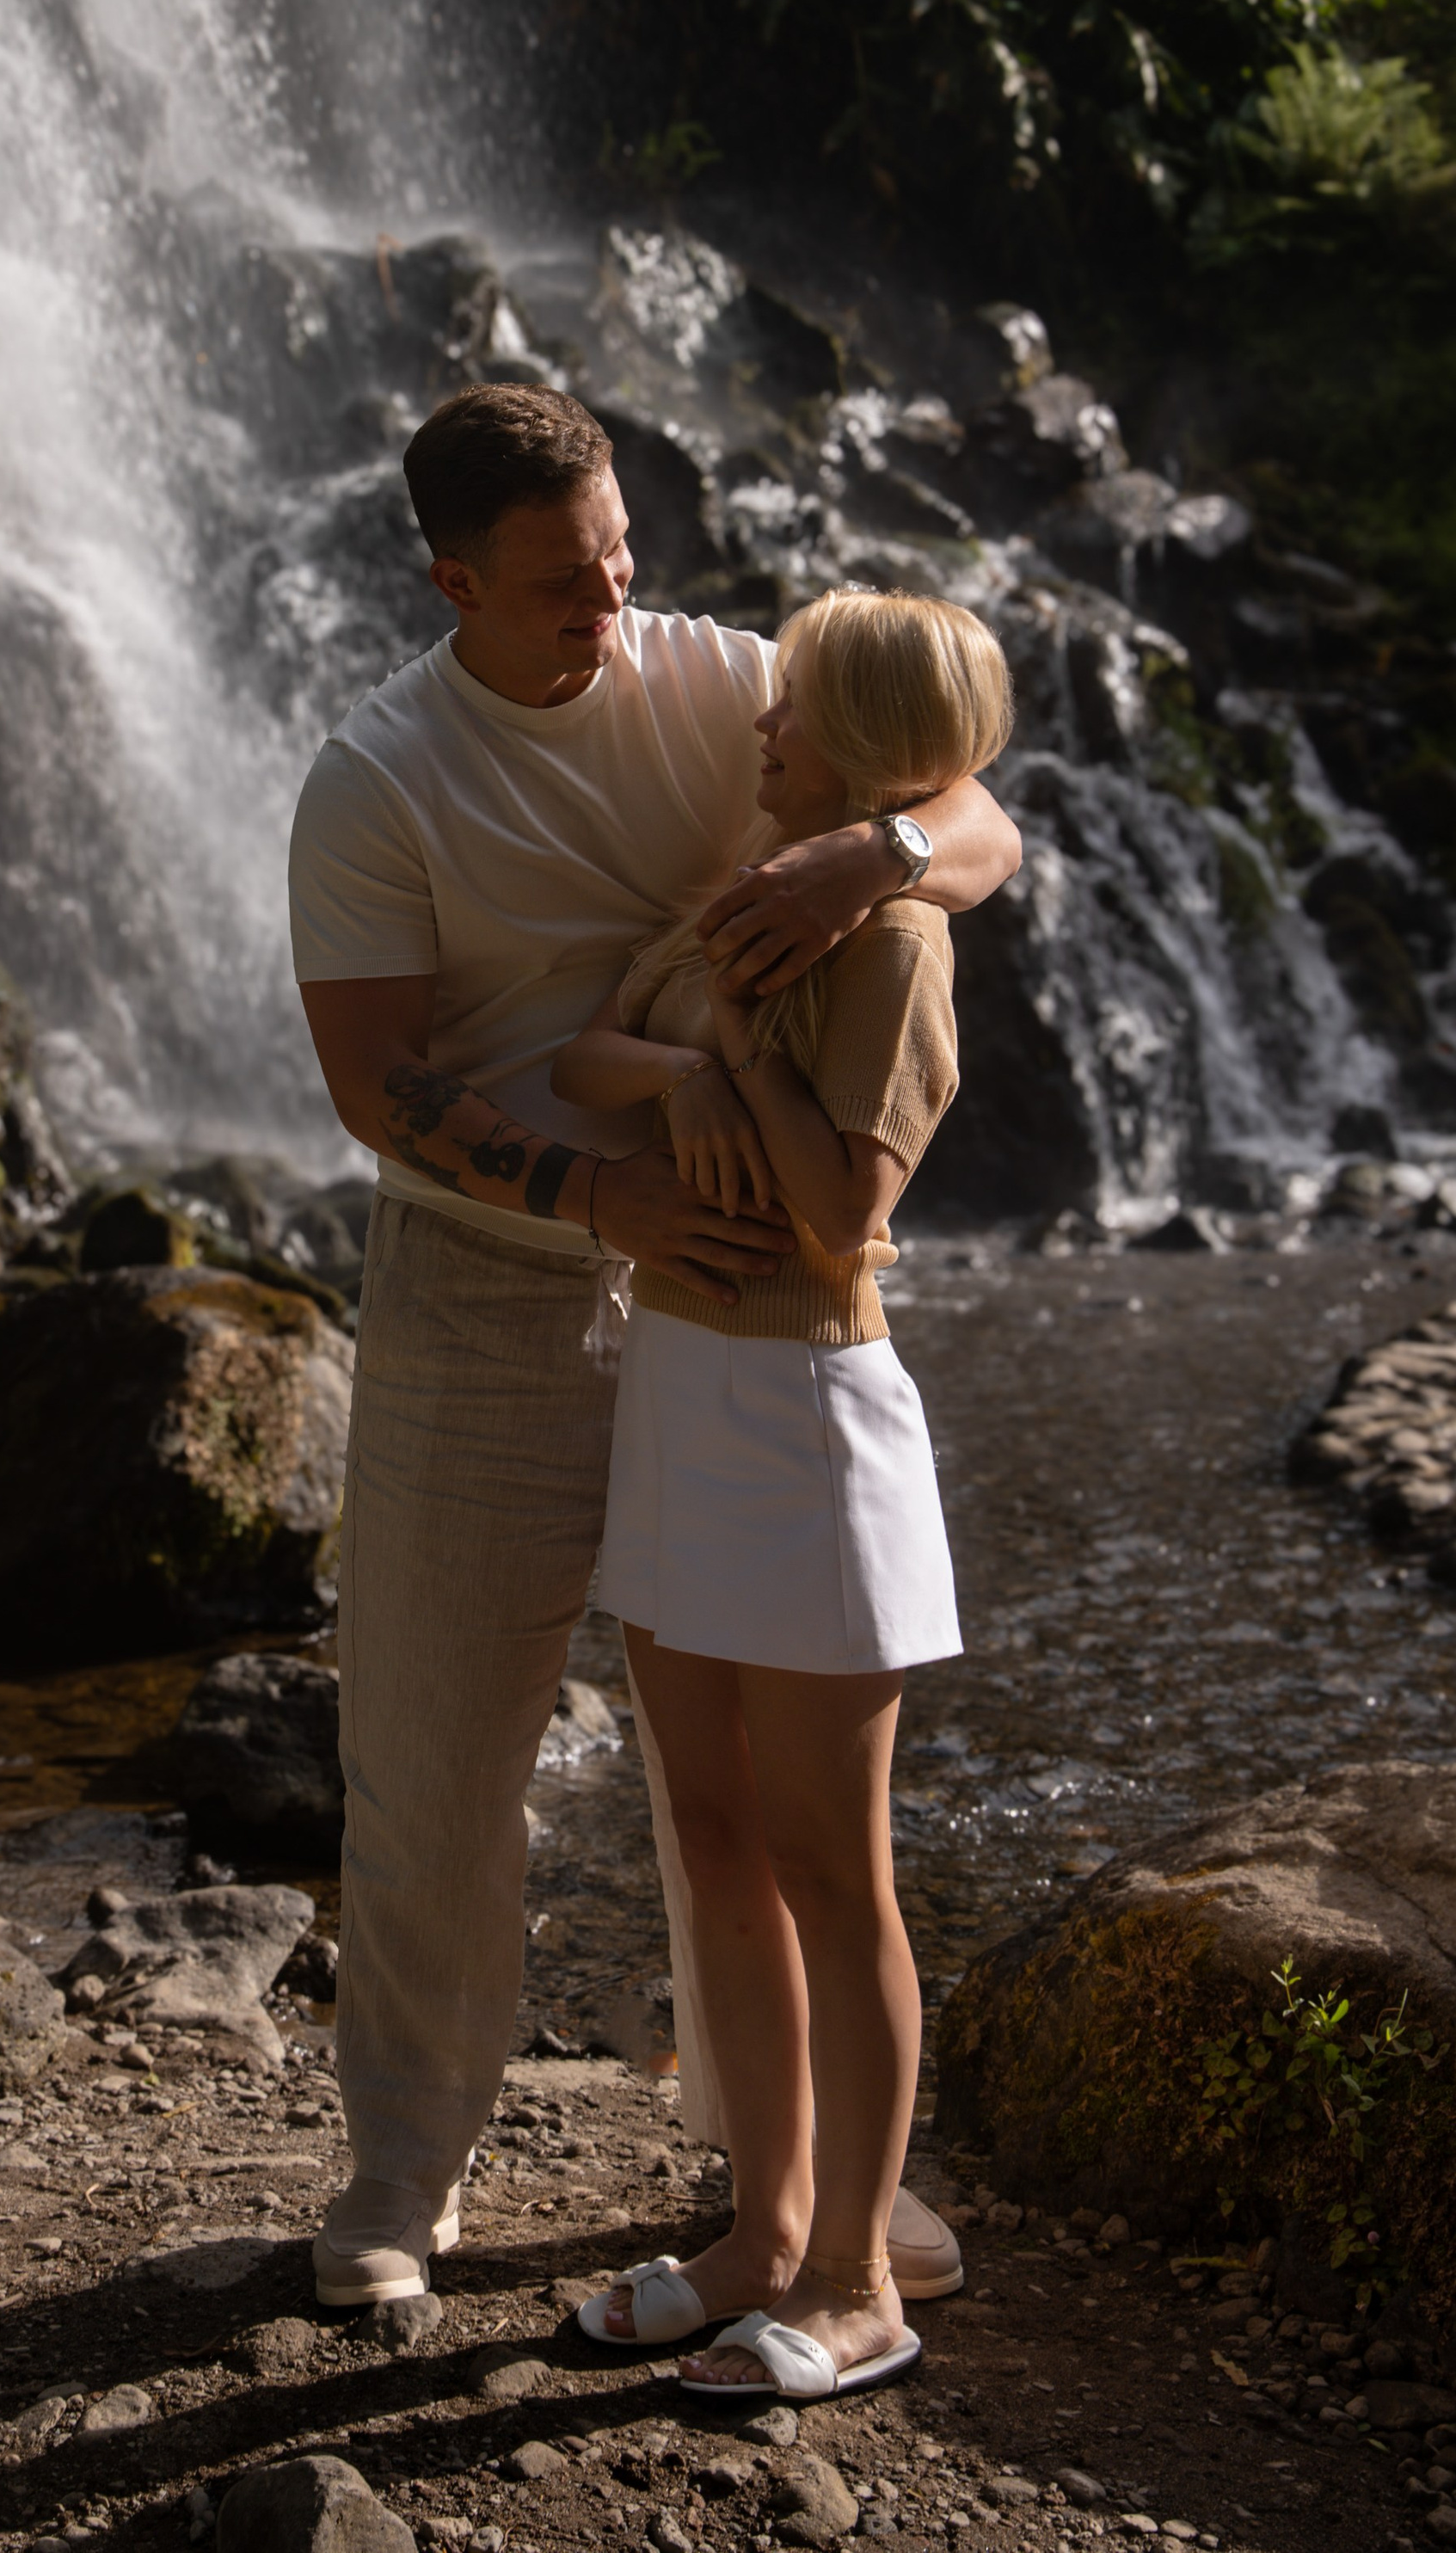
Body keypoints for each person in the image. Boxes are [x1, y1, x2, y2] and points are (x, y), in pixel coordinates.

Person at [288, 381, 1021, 2309]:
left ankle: (775, 2178)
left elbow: (981, 809)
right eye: (557, 589)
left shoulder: (717, 677)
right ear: (451, 581)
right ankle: (401, 2174)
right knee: (436, 1748)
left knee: (744, 1773)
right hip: (488, 1281)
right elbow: (374, 1082)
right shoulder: (376, 778)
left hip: (745, 1301)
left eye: (618, 559)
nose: (607, 609)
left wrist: (873, 855)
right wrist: (586, 1193)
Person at [553, 585, 1011, 2402]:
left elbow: (836, 1212)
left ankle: (853, 2285)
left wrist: (733, 1056)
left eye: (790, 710)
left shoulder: (892, 947)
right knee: (717, 1846)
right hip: (673, 1385)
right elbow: (585, 1061)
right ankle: (756, 2229)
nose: (757, 731)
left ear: (875, 752)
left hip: (806, 1414)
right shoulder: (740, 888)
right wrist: (681, 1059)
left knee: (835, 1867)